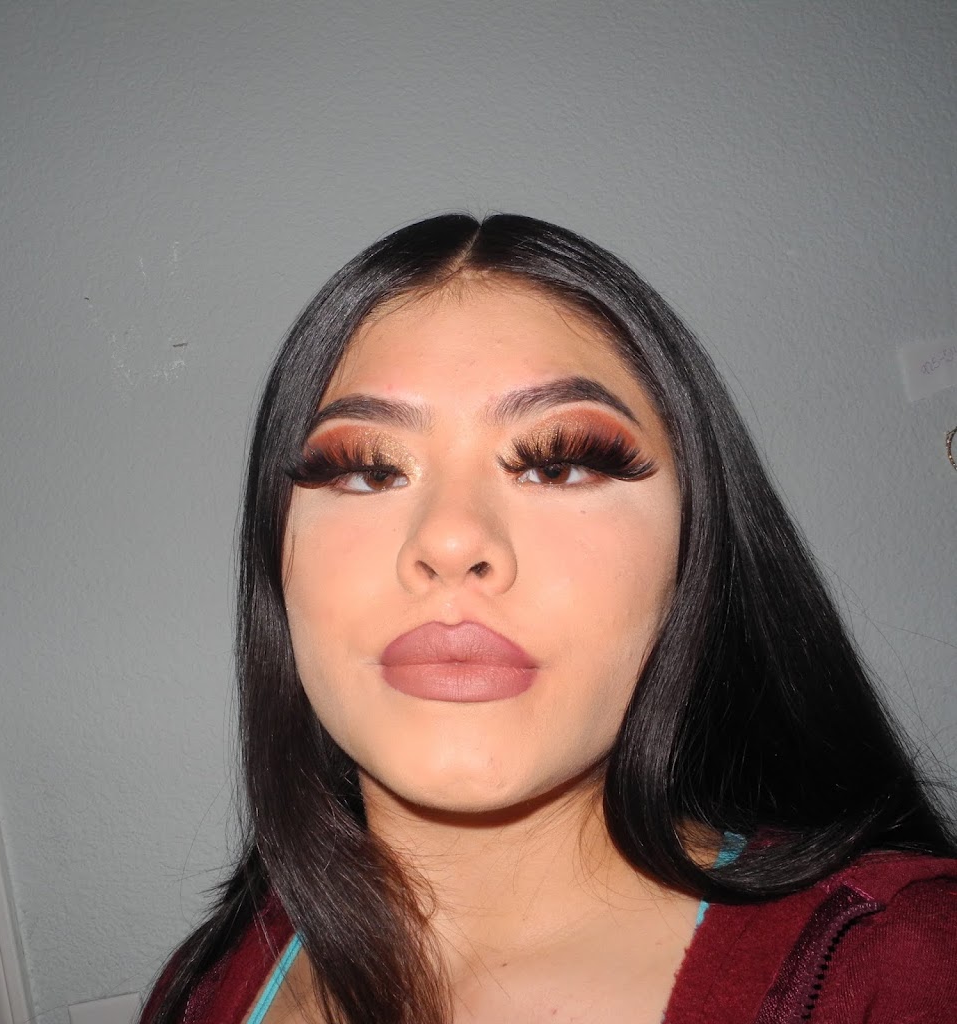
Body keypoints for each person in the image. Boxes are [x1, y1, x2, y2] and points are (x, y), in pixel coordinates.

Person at [139, 213, 957, 1024]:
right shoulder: (205, 986)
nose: (451, 540)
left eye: (558, 464)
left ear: (692, 550)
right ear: (275, 557)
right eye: (368, 471)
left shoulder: (905, 971)